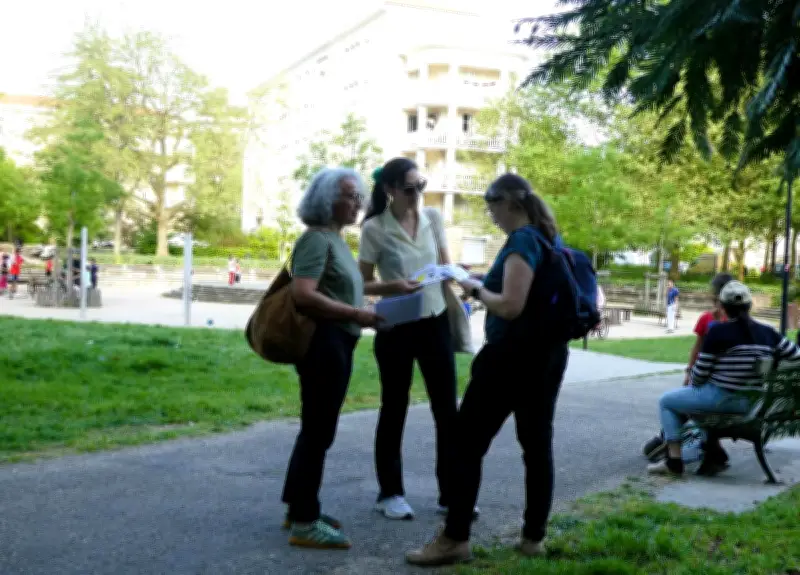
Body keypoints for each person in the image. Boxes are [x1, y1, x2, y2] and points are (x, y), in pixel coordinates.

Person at [406, 173, 571, 566]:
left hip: (511, 358)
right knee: (536, 445)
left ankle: (454, 539)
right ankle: (533, 538)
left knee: (465, 444)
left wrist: (472, 288)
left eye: (491, 204)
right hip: (548, 355)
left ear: (509, 203)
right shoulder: (549, 238)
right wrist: (472, 278)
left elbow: (510, 305)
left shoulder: (522, 241)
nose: (490, 213)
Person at [281, 167, 381, 550]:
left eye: (359, 196)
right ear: (325, 201)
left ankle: (298, 508)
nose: (358, 203)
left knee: (316, 430)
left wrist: (375, 301)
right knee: (319, 432)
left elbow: (344, 290)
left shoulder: (337, 240)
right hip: (324, 344)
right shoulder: (317, 240)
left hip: (338, 341)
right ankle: (305, 523)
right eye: (350, 196)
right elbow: (303, 294)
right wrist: (357, 315)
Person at [358, 157, 461, 521]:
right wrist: (392, 286)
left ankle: (452, 494)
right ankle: (390, 493)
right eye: (410, 188)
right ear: (390, 190)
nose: (418, 193)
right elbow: (362, 283)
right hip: (397, 324)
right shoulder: (374, 228)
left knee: (447, 411)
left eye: (422, 185)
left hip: (434, 321)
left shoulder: (433, 218)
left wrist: (464, 280)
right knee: (394, 408)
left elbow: (446, 265)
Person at [647, 281, 800, 477]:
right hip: (753, 405)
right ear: (749, 305)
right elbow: (796, 356)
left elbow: (700, 374)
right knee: (689, 402)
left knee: (667, 401)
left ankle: (673, 462)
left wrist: (693, 382)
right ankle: (712, 453)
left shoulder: (718, 332)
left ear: (723, 306)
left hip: (721, 399)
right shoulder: (768, 332)